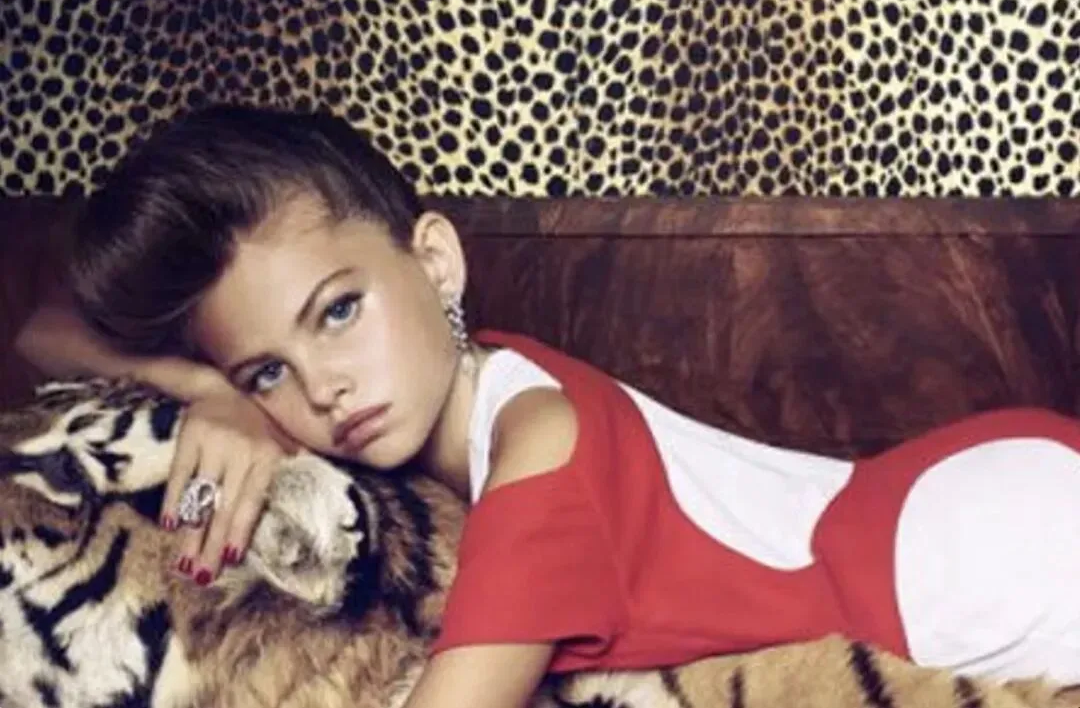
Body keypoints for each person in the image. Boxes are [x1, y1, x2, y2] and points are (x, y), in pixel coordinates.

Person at [16, 105, 1080, 706]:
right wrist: (210, 387)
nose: (320, 386)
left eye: (338, 310)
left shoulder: (540, 450)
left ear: (435, 260)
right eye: (269, 370)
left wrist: (237, 387)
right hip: (943, 499)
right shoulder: (483, 386)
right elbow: (36, 328)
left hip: (976, 563)